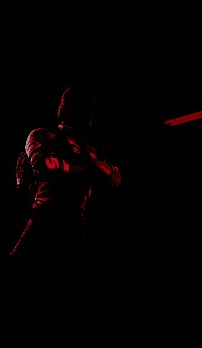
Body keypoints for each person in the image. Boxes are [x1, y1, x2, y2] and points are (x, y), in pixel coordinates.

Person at [10, 86, 121, 272]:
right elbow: (43, 164)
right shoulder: (43, 135)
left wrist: (91, 164)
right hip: (44, 219)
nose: (90, 116)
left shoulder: (89, 149)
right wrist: (88, 167)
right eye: (86, 109)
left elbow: (115, 179)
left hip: (76, 222)